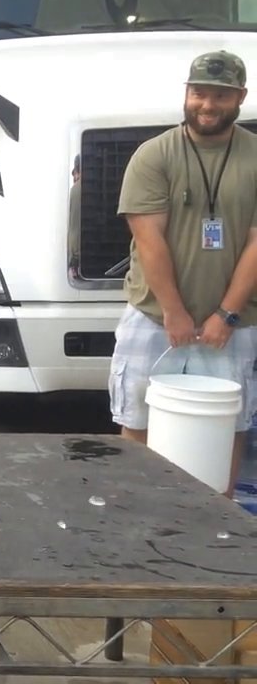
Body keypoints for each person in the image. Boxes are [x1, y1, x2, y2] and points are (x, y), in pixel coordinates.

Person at [111, 50, 257, 496]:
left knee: (228, 420)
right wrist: (173, 311)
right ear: (186, 93)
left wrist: (226, 315)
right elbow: (149, 240)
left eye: (220, 95)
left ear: (240, 98)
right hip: (154, 317)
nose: (207, 105)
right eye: (199, 93)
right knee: (138, 414)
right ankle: (135, 505)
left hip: (233, 323)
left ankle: (222, 513)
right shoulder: (153, 155)